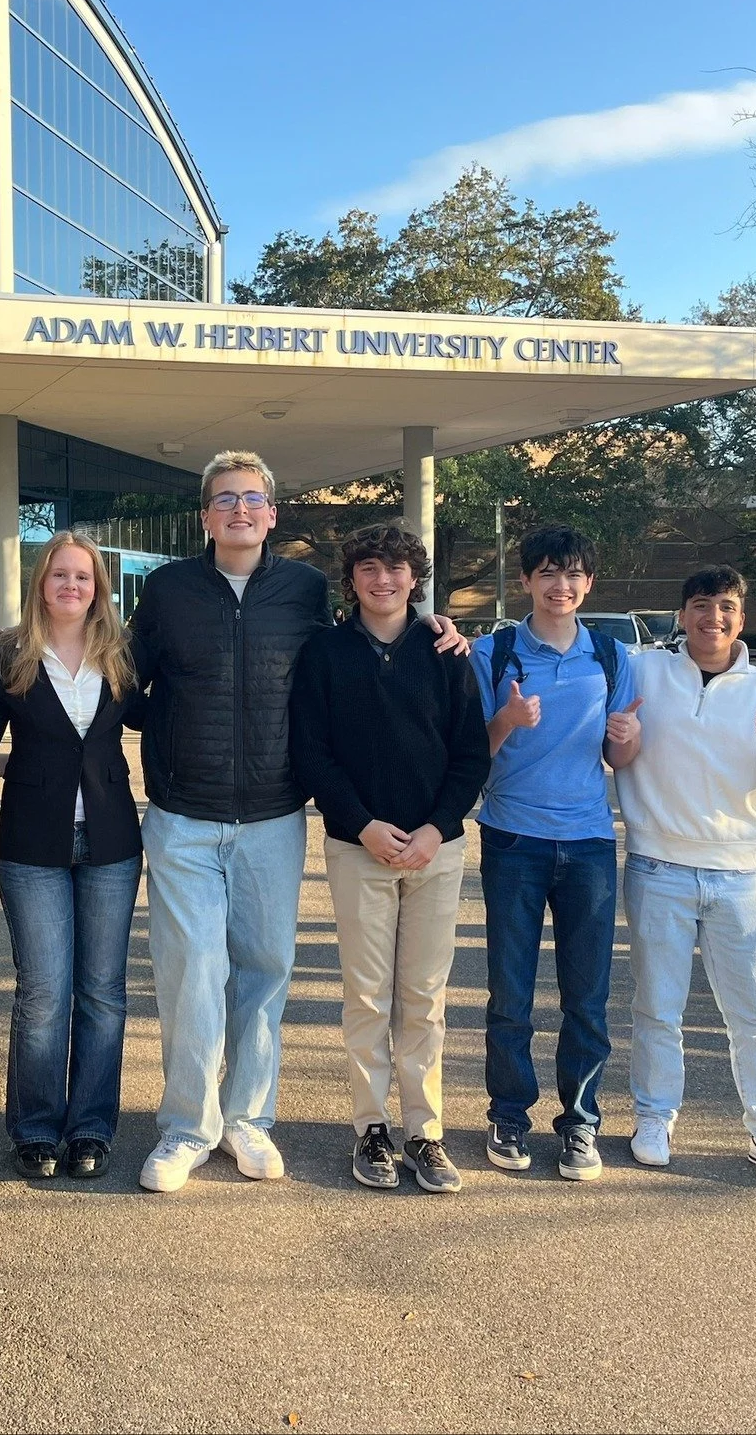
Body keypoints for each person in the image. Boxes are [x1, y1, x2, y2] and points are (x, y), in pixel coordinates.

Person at [126, 450, 466, 1194]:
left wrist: (436, 625)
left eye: (253, 498)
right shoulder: (169, 589)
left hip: (274, 815)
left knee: (264, 971)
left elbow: (365, 642)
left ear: (272, 514)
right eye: (225, 499)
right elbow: (126, 682)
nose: (239, 510)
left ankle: (248, 1118)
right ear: (206, 515)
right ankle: (187, 1128)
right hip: (184, 815)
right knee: (192, 974)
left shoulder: (305, 589)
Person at [614, 565, 756, 1188]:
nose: (712, 618)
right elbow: (572, 651)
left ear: (742, 619)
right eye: (700, 605)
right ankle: (654, 1118)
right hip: (658, 867)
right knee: (657, 1008)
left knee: (754, 1015)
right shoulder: (644, 671)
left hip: (739, 876)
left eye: (725, 608)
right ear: (681, 615)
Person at [290, 524, 491, 1193]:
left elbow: (471, 754)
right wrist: (363, 824)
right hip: (359, 848)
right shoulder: (324, 653)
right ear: (352, 579)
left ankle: (424, 1131)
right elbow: (311, 751)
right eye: (370, 568)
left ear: (415, 577)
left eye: (397, 567)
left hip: (437, 850)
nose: (384, 579)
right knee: (368, 997)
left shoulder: (445, 652)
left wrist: (437, 827)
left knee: (424, 998)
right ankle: (371, 1127)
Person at [0, 532, 142, 1183]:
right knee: (43, 992)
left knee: (102, 993)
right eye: (60, 574)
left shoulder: (121, 651)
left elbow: (162, 713)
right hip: (32, 842)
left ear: (98, 588)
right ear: (41, 582)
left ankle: (91, 1126)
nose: (71, 585)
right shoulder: (6, 652)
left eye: (83, 576)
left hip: (111, 842)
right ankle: (36, 1128)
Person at [469, 526, 641, 1182]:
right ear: (526, 580)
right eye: (546, 572)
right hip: (513, 838)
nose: (559, 586)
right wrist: (506, 721)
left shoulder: (611, 656)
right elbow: (471, 753)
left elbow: (619, 756)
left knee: (587, 995)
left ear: (588, 584)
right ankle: (509, 1114)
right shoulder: (494, 652)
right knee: (510, 992)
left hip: (589, 841)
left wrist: (627, 735)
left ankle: (580, 1121)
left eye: (571, 574)